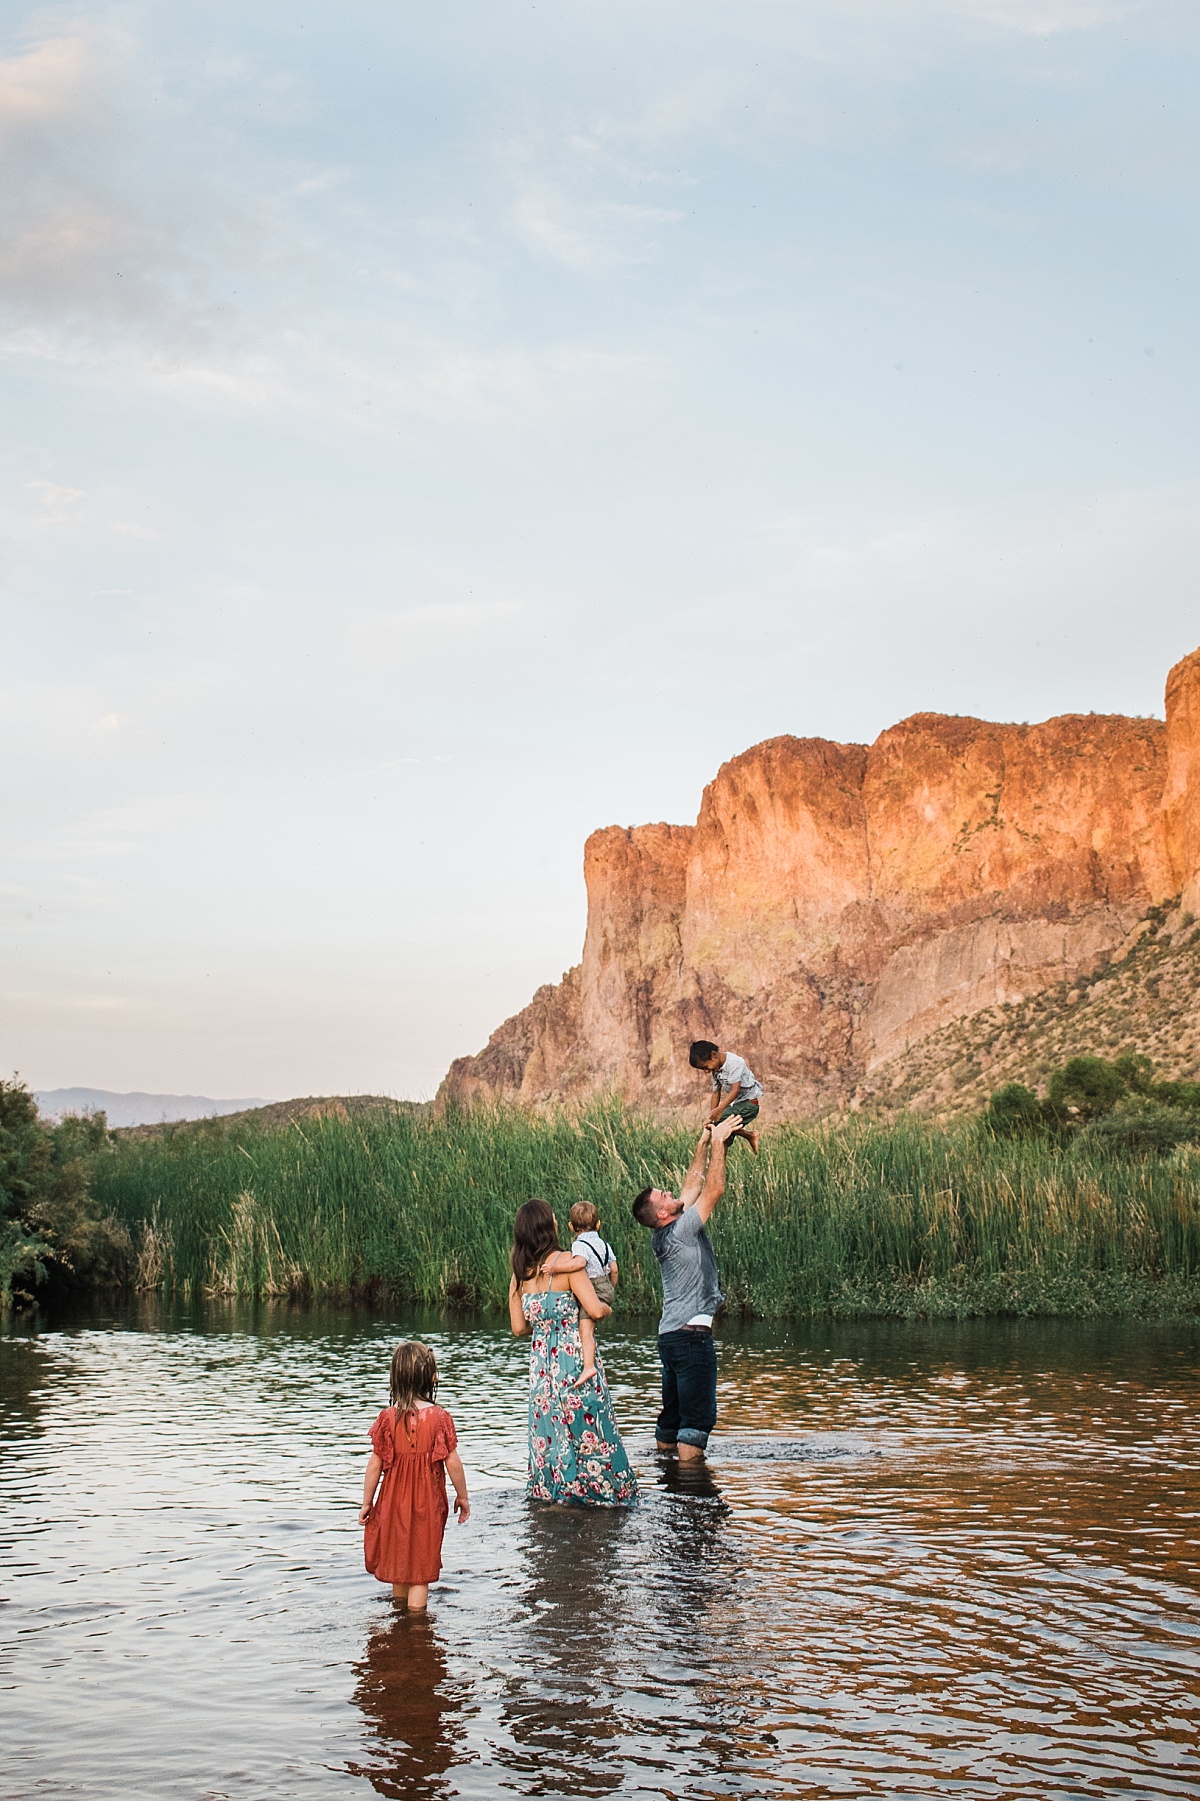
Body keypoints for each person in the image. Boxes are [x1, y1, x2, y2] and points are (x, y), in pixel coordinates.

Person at [509, 1198, 638, 1507]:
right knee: (593, 1436)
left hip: (542, 1376)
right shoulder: (568, 1261)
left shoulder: (520, 1274)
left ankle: (555, 1500)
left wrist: (544, 1326)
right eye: (553, 1218)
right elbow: (594, 1309)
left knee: (550, 1441)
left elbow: (518, 1328)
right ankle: (605, 1498)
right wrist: (607, 1307)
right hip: (577, 1366)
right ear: (548, 1227)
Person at [631, 1114, 741, 1461]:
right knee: (696, 1421)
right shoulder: (681, 1231)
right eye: (663, 1195)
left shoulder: (668, 1230)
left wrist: (702, 1146)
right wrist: (721, 1144)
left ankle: (667, 1477)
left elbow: (692, 1185)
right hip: (692, 1339)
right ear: (662, 1213)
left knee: (672, 1417)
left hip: (670, 1338)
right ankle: (692, 1495)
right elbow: (714, 1189)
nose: (670, 1192)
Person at [359, 1340, 470, 1610]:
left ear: (395, 1378)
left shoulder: (387, 1418)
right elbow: (452, 1461)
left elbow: (375, 1464)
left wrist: (367, 1502)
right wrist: (463, 1496)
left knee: (399, 1562)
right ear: (431, 1377)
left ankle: (399, 1619)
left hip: (393, 1502)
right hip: (428, 1503)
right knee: (420, 1569)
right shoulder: (440, 1417)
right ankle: (417, 1627)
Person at [569, 1200, 618, 1382]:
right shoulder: (604, 1244)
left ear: (571, 1227)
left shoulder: (579, 1245)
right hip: (606, 1286)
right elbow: (614, 1269)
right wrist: (611, 1288)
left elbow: (580, 1263)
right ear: (598, 1225)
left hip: (592, 1289)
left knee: (585, 1330)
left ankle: (588, 1366)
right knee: (590, 1327)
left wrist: (556, 1268)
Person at [689, 1039, 763, 1154]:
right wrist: (711, 1116)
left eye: (705, 1067)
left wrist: (719, 1110)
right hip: (738, 1104)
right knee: (721, 1135)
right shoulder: (716, 1069)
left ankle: (750, 1135)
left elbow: (735, 1090)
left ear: (714, 1055)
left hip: (749, 1104)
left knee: (719, 1126)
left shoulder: (734, 1063)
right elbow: (716, 1093)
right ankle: (747, 1137)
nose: (706, 1071)